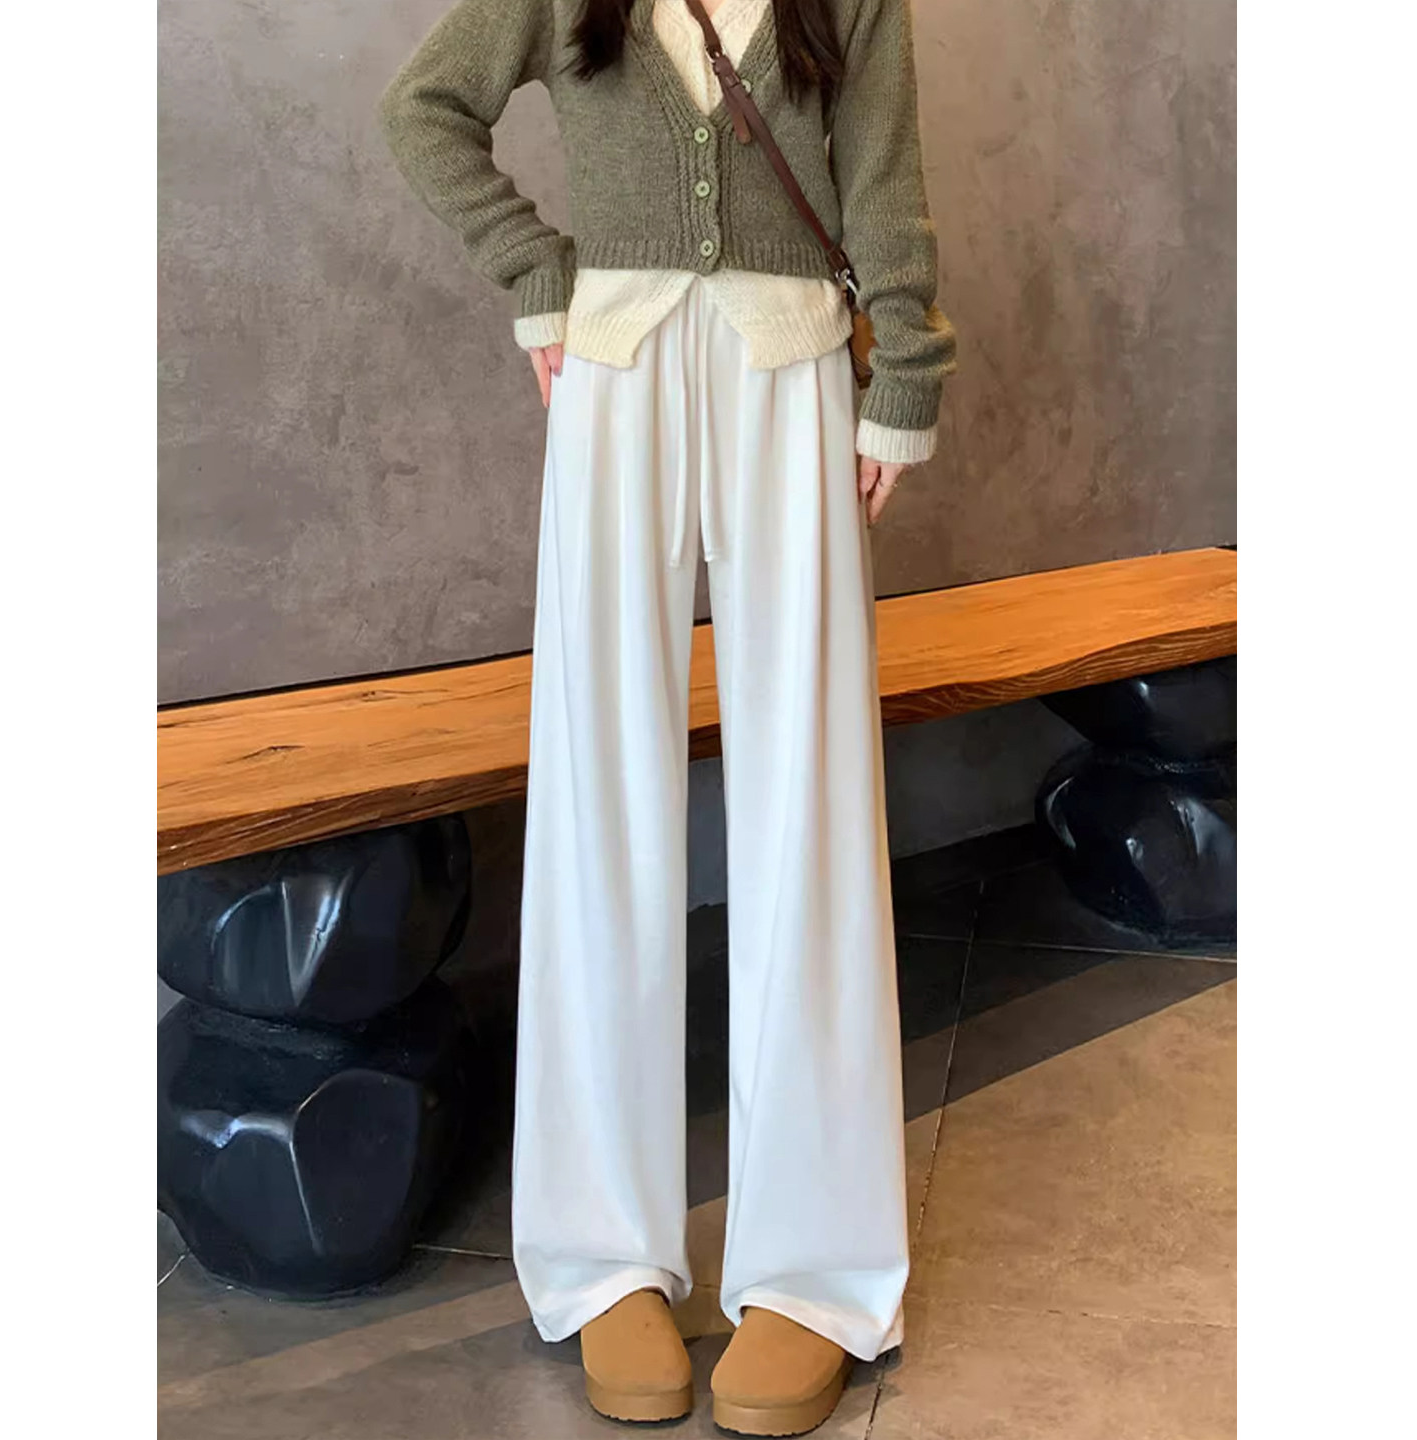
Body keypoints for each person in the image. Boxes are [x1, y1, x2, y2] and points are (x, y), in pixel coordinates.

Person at [380, 0, 955, 1431]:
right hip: (618, 374)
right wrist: (537, 271)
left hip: (790, 376)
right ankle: (602, 1254)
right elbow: (423, 108)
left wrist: (906, 372)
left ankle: (815, 1270)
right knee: (599, 801)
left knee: (812, 803)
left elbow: (884, 175)